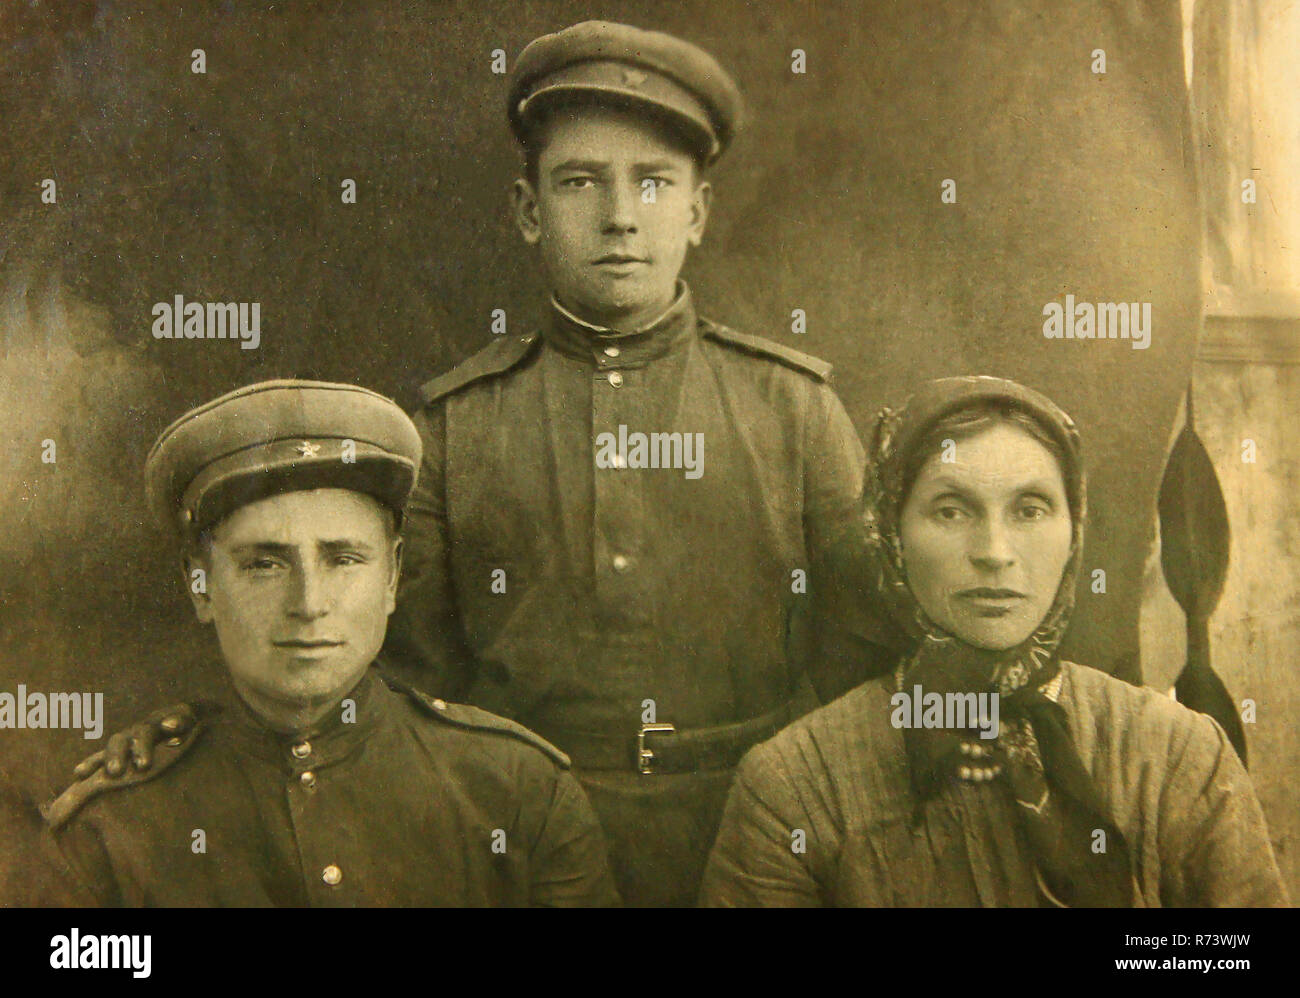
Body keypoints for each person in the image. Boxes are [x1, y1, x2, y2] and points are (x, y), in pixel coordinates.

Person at [76, 21, 877, 907]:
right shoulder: (455, 427)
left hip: (758, 843)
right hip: (509, 845)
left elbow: (867, 660)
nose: (619, 215)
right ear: (529, 210)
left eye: (653, 184)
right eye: (581, 182)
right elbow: (370, 666)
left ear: (696, 211)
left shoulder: (795, 410)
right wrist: (200, 731)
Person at [700, 376, 1287, 907]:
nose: (995, 552)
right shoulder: (796, 784)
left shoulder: (1179, 755)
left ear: (1074, 531)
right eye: (951, 511)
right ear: (891, 535)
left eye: (1030, 510)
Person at [42, 380, 619, 907]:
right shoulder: (111, 831)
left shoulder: (519, 795)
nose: (309, 602)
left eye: (343, 558)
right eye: (264, 564)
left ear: (392, 577)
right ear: (201, 587)